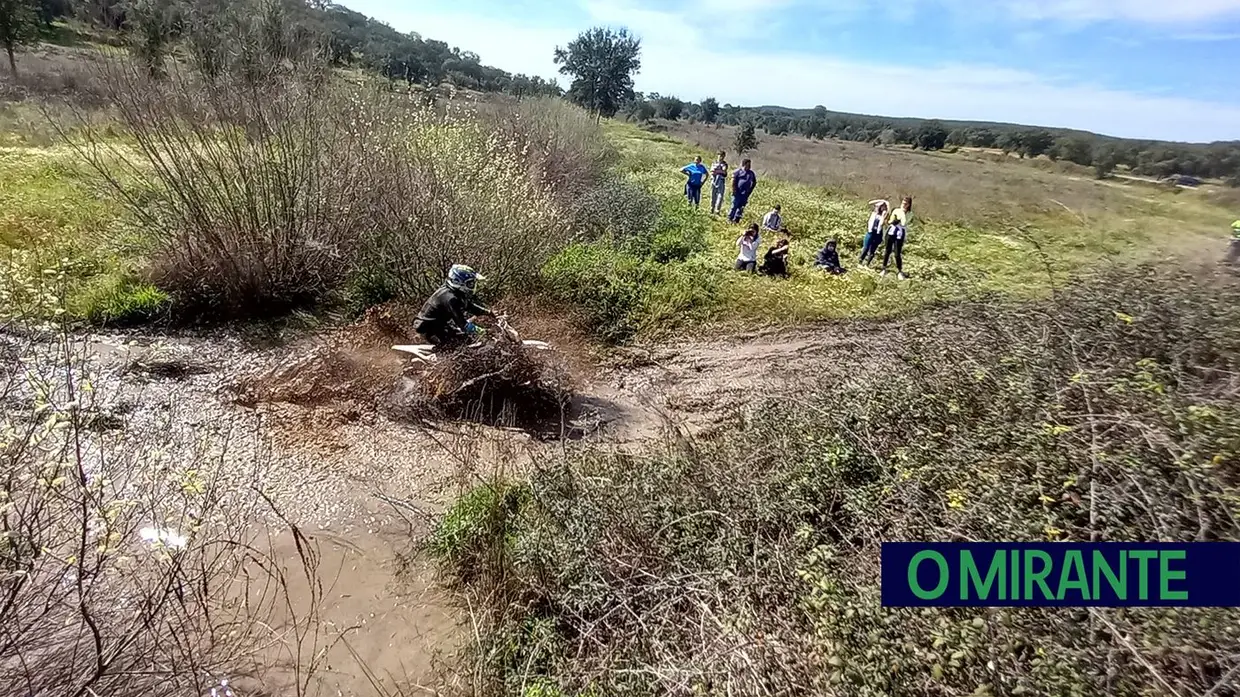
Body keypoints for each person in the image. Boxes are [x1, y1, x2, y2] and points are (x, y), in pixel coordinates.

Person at [413, 264, 494, 350]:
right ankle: (439, 361)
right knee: (455, 347)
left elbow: (470, 307)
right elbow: (464, 325)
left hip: (439, 326)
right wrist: (484, 332)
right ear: (458, 282)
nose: (473, 285)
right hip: (428, 329)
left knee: (466, 340)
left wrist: (489, 313)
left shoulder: (455, 292)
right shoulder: (450, 299)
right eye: (470, 283)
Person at [881, 196, 913, 279]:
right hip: (891, 231)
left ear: (908, 205)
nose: (903, 205)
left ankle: (899, 271)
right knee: (887, 251)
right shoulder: (896, 210)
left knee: (897, 253)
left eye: (905, 204)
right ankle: (884, 268)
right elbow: (891, 221)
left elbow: (904, 222)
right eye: (903, 203)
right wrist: (891, 220)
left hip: (900, 234)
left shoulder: (910, 214)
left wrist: (901, 214)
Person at [859, 199, 888, 266]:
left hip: (878, 234)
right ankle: (860, 262)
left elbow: (882, 222)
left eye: (884, 206)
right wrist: (881, 200)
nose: (882, 208)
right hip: (870, 232)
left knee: (872, 250)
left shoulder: (884, 216)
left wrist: (887, 204)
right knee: (865, 248)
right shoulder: (874, 213)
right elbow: (870, 203)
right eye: (881, 206)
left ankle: (867, 264)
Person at [728, 159, 757, 223]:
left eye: (750, 165)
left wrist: (750, 190)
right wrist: (733, 190)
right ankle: (730, 218)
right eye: (748, 164)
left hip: (745, 193)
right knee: (734, 206)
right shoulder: (738, 171)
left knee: (741, 207)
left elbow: (754, 182)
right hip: (737, 192)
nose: (749, 166)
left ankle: (736, 219)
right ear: (744, 164)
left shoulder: (751, 173)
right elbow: (733, 181)